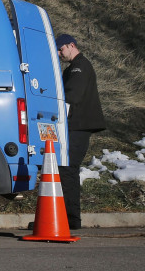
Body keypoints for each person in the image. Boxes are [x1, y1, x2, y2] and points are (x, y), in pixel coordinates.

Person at [55, 34, 106, 230]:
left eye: (61, 49)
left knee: (67, 171)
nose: (60, 53)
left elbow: (72, 96)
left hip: (77, 127)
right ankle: (67, 219)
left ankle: (70, 220)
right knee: (65, 171)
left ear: (72, 45)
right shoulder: (75, 67)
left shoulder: (80, 67)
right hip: (75, 126)